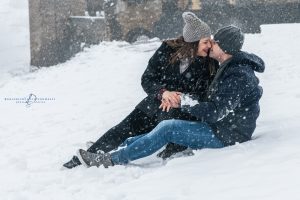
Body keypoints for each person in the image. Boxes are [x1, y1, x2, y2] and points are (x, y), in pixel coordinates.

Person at [76, 25, 265, 168]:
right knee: (159, 126)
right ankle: (115, 149)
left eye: (214, 42)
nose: (211, 45)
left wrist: (183, 101)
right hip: (220, 127)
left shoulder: (238, 74)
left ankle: (109, 160)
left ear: (224, 48)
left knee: (168, 128)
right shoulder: (229, 66)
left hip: (228, 134)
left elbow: (215, 111)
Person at [63, 12, 219, 169]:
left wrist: (179, 99)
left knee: (152, 134)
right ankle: (87, 157)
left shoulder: (209, 63)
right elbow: (147, 78)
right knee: (124, 128)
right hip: (155, 102)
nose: (209, 46)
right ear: (192, 42)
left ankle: (119, 154)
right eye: (205, 41)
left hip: (180, 111)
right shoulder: (167, 49)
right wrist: (163, 93)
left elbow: (204, 94)